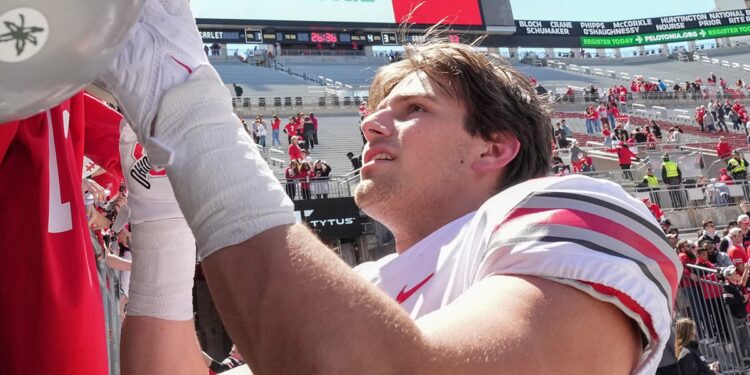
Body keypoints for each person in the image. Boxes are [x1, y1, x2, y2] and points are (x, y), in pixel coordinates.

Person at [3, 4, 679, 375]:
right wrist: (161, 220)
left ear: (494, 146)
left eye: (413, 109)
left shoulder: (579, 209)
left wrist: (185, 102)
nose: (371, 120)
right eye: (371, 109)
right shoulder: (343, 290)